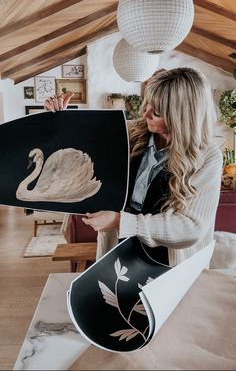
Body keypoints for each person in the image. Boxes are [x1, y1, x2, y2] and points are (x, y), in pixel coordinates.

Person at [44, 68, 223, 266]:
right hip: (119, 250)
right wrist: (61, 119)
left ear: (182, 116)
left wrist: (121, 221)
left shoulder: (208, 156)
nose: (144, 113)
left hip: (170, 263)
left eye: (156, 111)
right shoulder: (130, 131)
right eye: (146, 104)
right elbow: (82, 143)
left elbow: (190, 227)